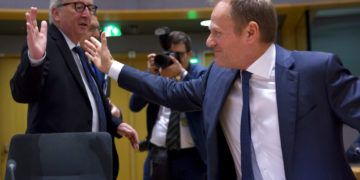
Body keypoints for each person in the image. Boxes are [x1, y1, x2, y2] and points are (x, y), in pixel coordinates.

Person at [90, 0, 360, 179]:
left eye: (217, 33)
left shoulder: (316, 70)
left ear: (250, 32)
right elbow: (170, 93)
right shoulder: (218, 76)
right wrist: (112, 66)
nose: (209, 42)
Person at [10, 1, 139, 179]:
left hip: (90, 165)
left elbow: (91, 100)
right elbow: (22, 92)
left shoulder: (78, 52)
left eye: (90, 8)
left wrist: (115, 124)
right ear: (56, 14)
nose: (87, 14)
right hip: (57, 168)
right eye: (79, 7)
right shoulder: (45, 44)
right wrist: (35, 60)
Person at [129, 30, 207, 180]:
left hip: (191, 157)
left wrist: (182, 74)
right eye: (171, 54)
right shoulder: (159, 75)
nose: (174, 59)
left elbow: (202, 99)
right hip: (159, 153)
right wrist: (149, 75)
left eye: (179, 55)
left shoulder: (199, 75)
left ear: (189, 54)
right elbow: (134, 105)